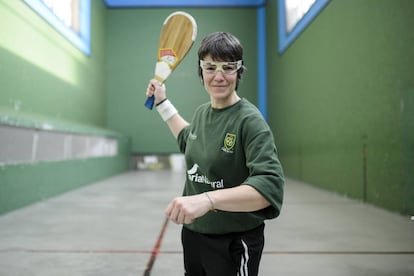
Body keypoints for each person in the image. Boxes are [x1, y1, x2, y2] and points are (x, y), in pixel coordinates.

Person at [145, 32, 284, 276]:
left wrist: (207, 200)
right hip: (194, 236)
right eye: (210, 67)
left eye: (228, 67)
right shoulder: (201, 113)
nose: (218, 76)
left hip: (233, 243)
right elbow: (188, 140)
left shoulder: (250, 121)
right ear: (201, 71)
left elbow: (268, 188)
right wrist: (162, 102)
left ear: (239, 71)